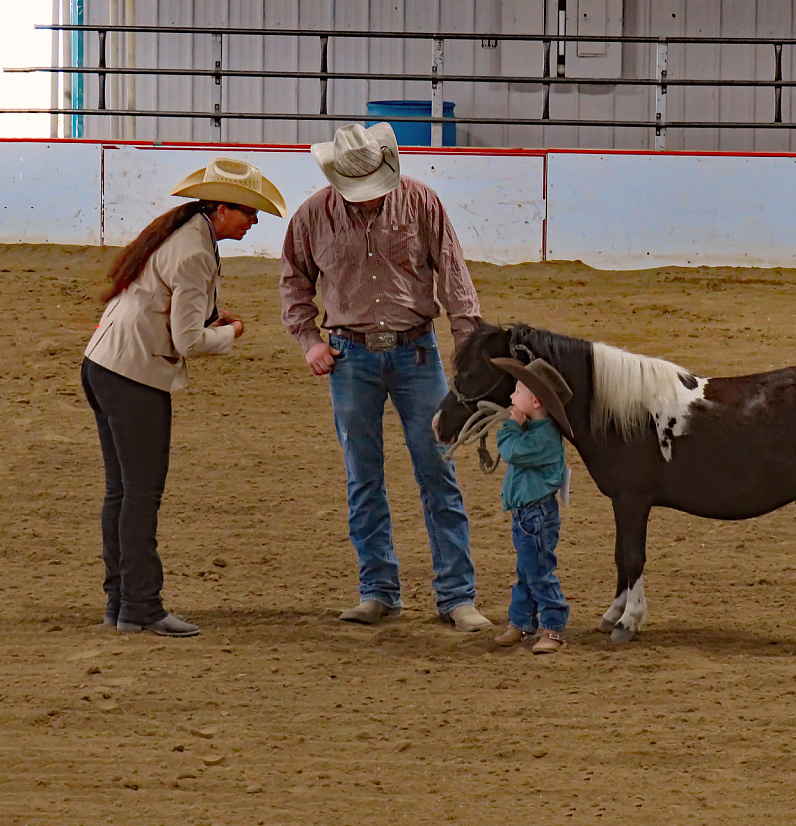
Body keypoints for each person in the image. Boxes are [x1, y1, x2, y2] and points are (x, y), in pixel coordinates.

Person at [279, 123, 490, 632]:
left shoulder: (422, 203)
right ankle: (378, 589)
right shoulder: (312, 216)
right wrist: (309, 342)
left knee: (437, 470)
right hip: (350, 357)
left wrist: (470, 353)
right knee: (363, 475)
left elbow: (454, 276)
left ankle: (457, 594)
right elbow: (294, 280)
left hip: (418, 351)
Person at [81, 158, 286, 637]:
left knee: (122, 491)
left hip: (104, 364)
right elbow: (188, 342)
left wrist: (208, 316)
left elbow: (167, 304)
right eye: (248, 212)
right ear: (220, 209)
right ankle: (141, 607)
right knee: (140, 495)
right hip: (135, 374)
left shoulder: (184, 235)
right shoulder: (194, 250)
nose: (253, 221)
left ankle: (122, 601)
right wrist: (231, 331)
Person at [490, 358, 573, 654]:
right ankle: (521, 621)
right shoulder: (539, 433)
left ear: (534, 401)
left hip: (535, 516)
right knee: (527, 571)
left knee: (538, 572)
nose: (511, 398)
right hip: (529, 515)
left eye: (517, 391)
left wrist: (511, 425)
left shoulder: (541, 439)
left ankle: (553, 626)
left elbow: (510, 450)